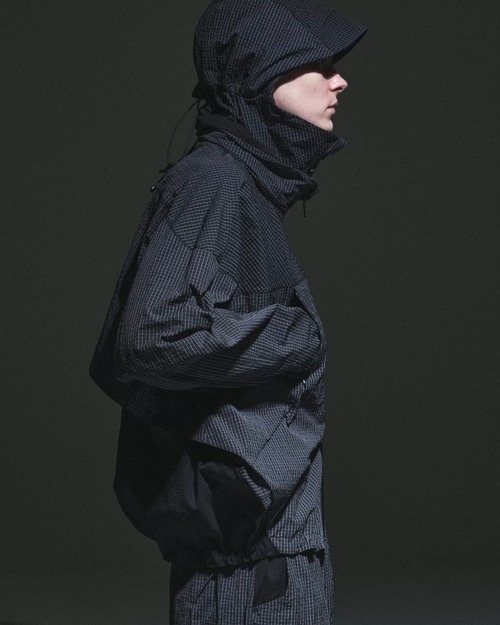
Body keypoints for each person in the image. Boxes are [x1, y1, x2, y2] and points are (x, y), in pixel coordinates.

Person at [89, 0, 366, 622]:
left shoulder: (245, 184)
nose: (339, 80)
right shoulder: (215, 180)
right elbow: (149, 336)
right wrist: (295, 336)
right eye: (319, 65)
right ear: (260, 74)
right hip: (249, 571)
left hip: (269, 552)